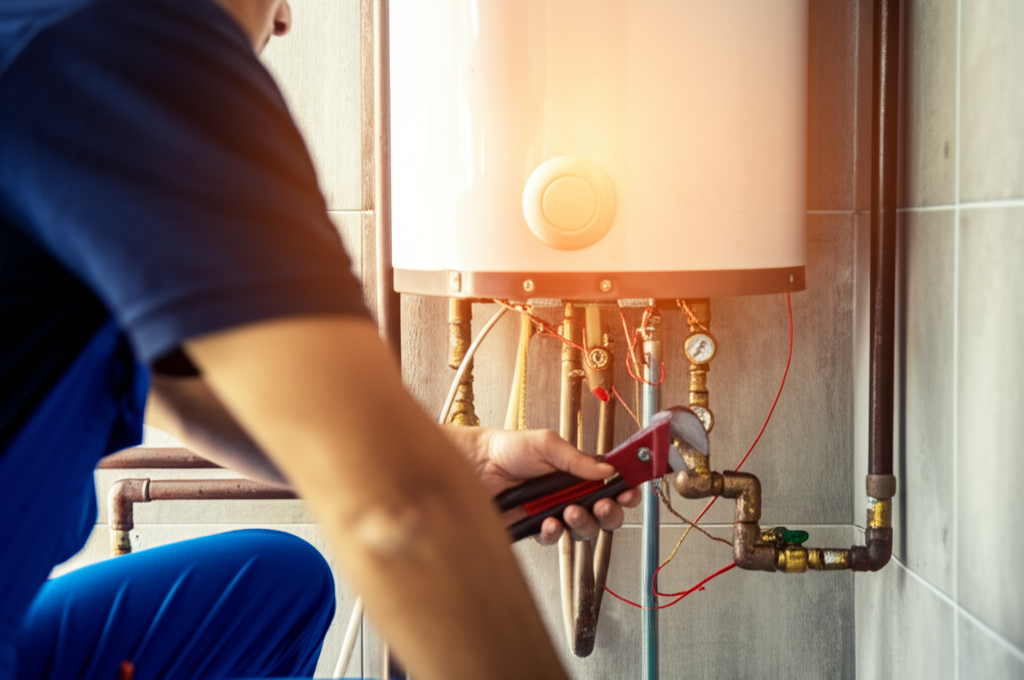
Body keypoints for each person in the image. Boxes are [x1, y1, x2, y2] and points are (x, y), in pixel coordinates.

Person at [0, 0, 639, 678]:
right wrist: (414, 483)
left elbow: (182, 393)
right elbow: (401, 509)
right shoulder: (127, 46)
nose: (283, 20)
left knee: (270, 589)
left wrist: (461, 457)